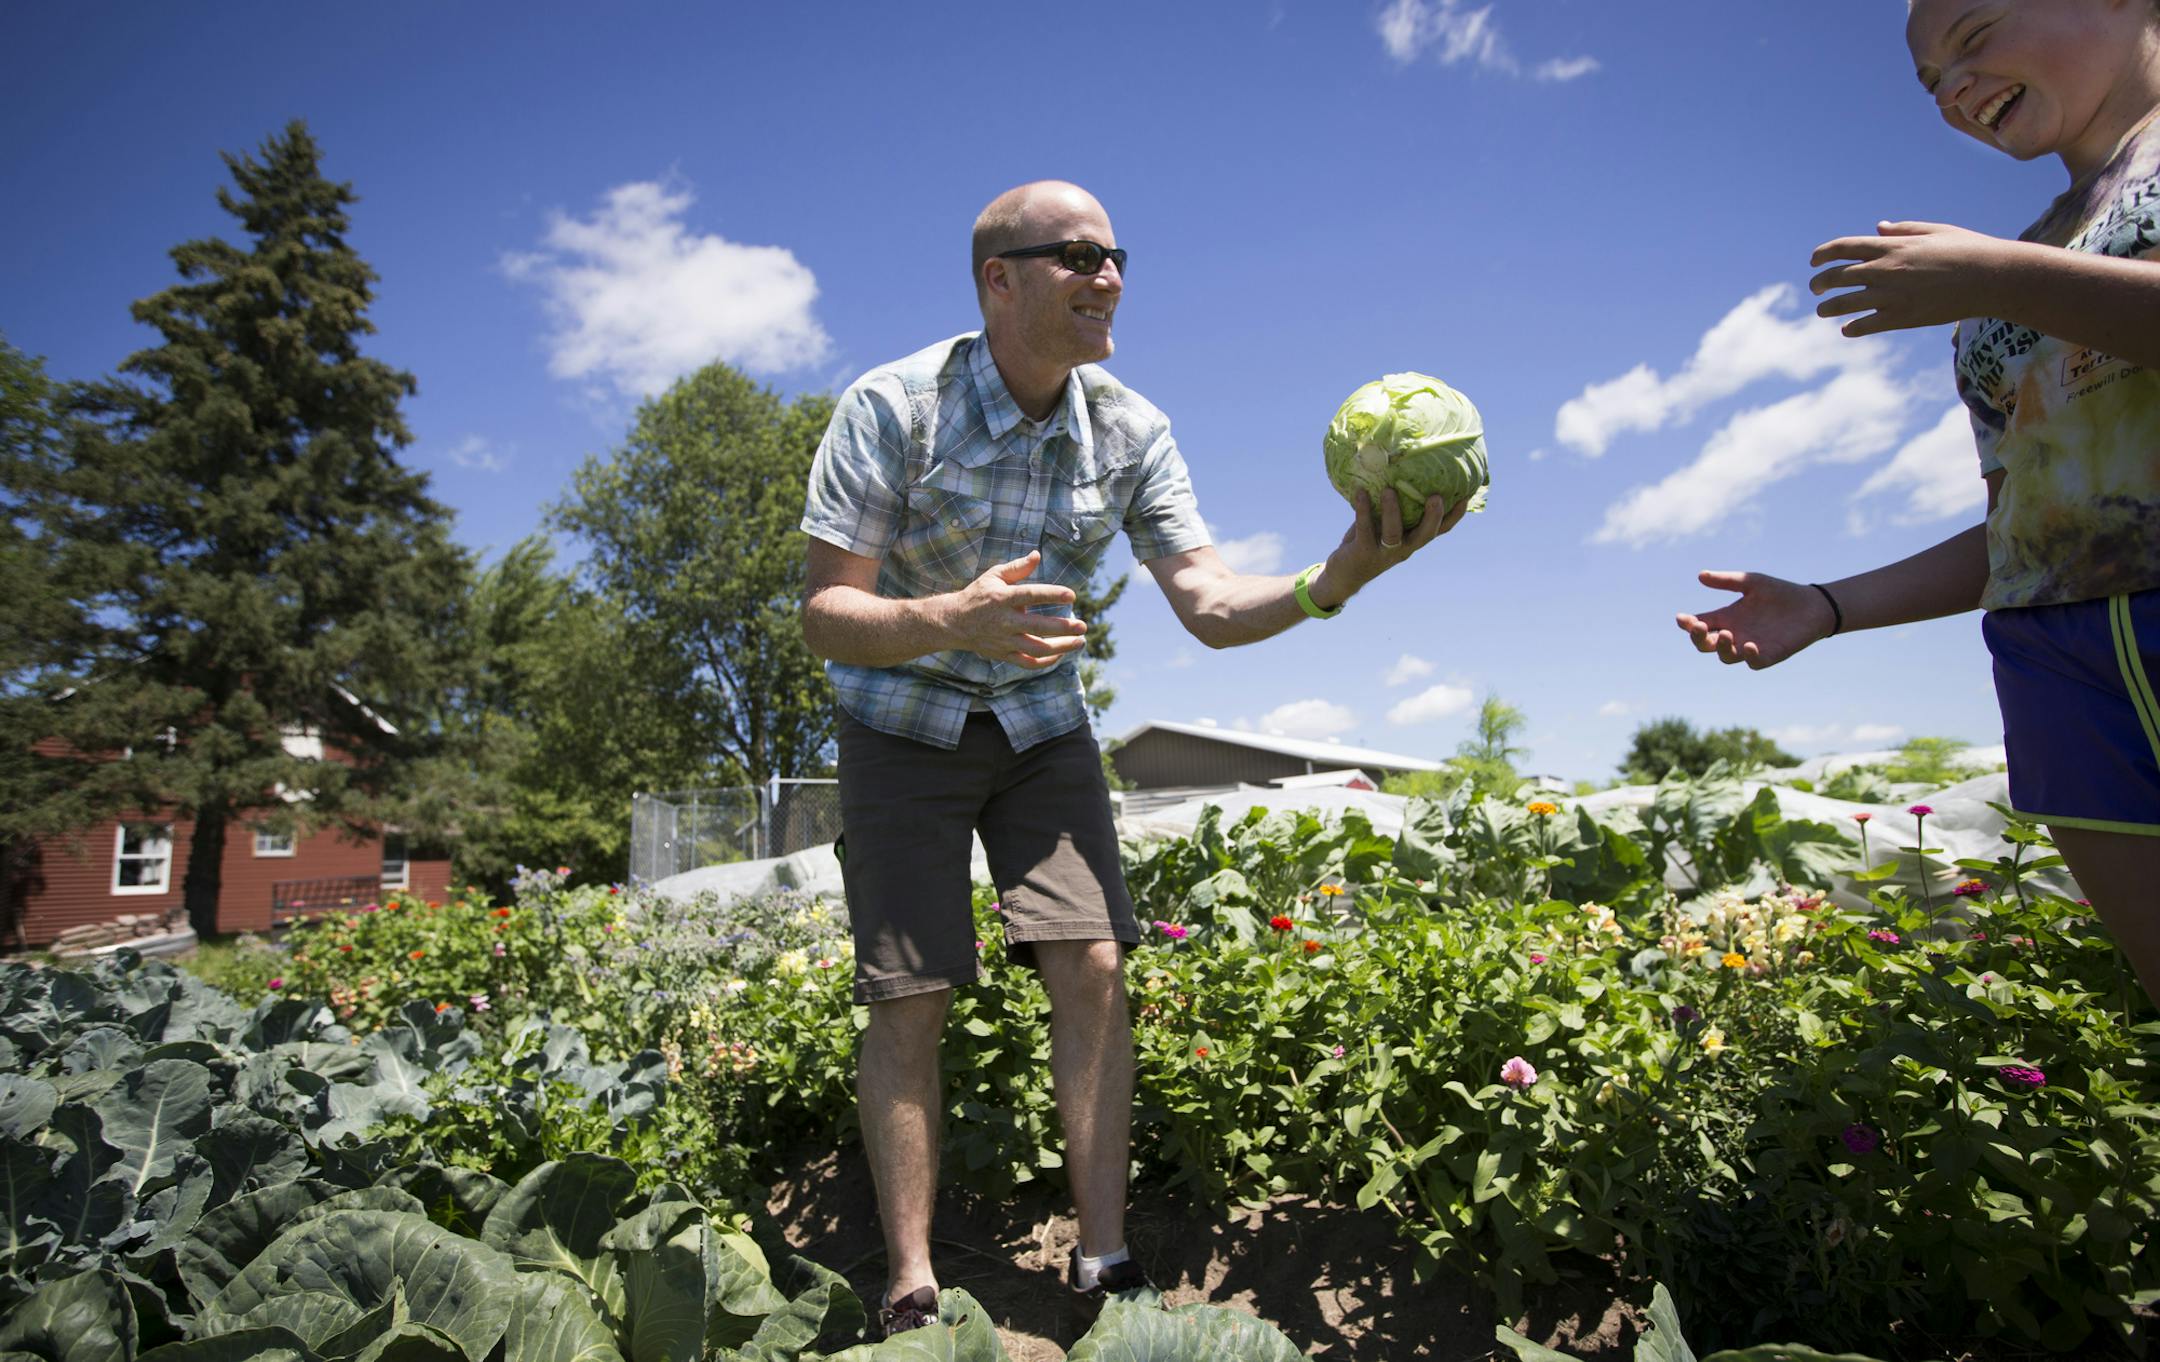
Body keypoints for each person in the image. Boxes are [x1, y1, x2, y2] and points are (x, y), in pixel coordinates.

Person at [799, 180, 1465, 1337]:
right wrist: (952, 618)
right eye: (1074, 255)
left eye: (1116, 254)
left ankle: (1100, 1260)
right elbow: (825, 611)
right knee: (909, 991)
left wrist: (1333, 579)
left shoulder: (1129, 429)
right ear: (997, 282)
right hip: (899, 723)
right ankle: (909, 1281)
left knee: (1096, 962)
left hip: (1042, 726)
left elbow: (1206, 600)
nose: (1107, 274)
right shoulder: (893, 406)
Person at [1677, 0, 2160, 1006]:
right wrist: (1831, 604)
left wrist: (2000, 275)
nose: (1950, 91)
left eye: (1973, 38)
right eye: (1929, 80)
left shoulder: (2004, 268)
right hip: (2054, 663)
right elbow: (2042, 525)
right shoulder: (2014, 265)